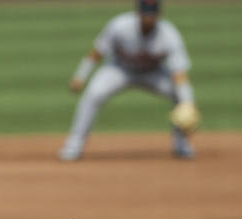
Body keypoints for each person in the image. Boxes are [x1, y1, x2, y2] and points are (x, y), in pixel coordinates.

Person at [58, 0, 200, 160]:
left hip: (152, 73)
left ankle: (182, 144)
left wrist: (188, 104)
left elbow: (180, 74)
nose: (148, 17)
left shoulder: (169, 35)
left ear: (159, 15)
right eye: (145, 13)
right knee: (93, 94)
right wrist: (80, 76)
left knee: (178, 94)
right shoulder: (119, 26)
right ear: (138, 13)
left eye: (152, 13)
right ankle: (74, 146)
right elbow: (98, 52)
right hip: (120, 70)